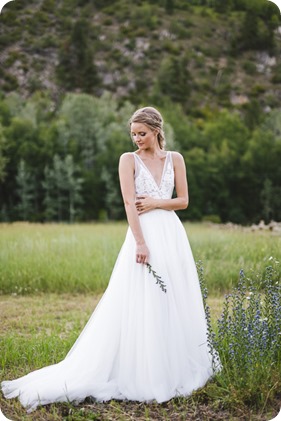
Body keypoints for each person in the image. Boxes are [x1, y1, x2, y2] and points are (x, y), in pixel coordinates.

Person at [1, 106, 217, 412]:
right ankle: (143, 367)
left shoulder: (175, 159)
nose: (137, 139)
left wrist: (156, 201)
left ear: (156, 130)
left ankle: (177, 363)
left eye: (142, 133)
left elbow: (183, 200)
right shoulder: (128, 160)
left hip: (172, 234)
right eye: (133, 134)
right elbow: (129, 202)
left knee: (174, 295)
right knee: (143, 297)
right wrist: (140, 242)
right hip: (143, 234)